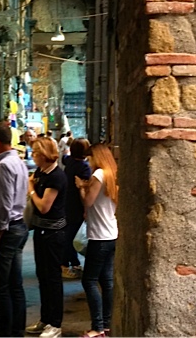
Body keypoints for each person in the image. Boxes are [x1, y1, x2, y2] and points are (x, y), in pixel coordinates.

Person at [0, 121, 29, 337]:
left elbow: (3, 206)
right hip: (18, 226)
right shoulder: (18, 162)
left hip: (6, 231)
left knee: (0, 286)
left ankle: (4, 332)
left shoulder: (3, 166)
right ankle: (16, 330)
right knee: (14, 284)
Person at [26, 137, 67, 338]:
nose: (33, 156)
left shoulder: (56, 177)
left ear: (43, 154)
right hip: (41, 231)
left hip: (53, 234)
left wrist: (31, 190)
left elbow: (44, 206)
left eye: (35, 153)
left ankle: (55, 324)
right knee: (42, 276)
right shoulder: (41, 173)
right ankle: (45, 319)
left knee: (52, 278)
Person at [75, 143, 118, 338]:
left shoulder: (99, 174)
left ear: (96, 157)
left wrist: (80, 188)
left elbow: (88, 201)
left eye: (89, 158)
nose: (88, 162)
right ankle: (106, 325)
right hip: (111, 233)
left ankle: (97, 327)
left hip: (99, 236)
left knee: (89, 281)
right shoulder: (112, 174)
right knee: (106, 281)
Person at [61, 137, 91, 279]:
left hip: (67, 203)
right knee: (74, 237)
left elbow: (64, 157)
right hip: (78, 205)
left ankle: (72, 263)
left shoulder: (69, 162)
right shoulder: (84, 167)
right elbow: (84, 188)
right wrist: (86, 209)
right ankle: (67, 263)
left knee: (69, 234)